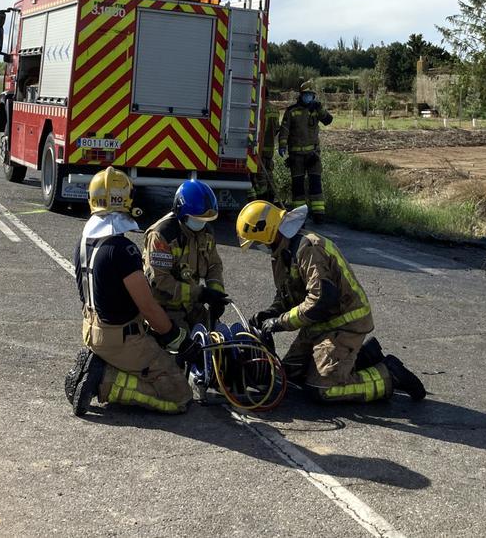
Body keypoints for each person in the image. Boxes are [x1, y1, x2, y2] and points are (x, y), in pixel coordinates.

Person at [236, 200, 426, 402]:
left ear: (268, 232)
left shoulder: (308, 248)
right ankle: (365, 356)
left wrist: (280, 322)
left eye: (258, 242)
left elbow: (321, 300)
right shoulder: (282, 253)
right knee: (290, 375)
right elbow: (288, 294)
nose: (260, 247)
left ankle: (389, 374)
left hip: (345, 323)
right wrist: (271, 312)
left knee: (321, 388)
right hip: (319, 325)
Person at [64, 168, 197, 416]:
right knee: (179, 395)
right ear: (125, 200)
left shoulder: (84, 243)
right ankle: (105, 380)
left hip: (93, 331)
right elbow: (147, 306)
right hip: (122, 340)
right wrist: (177, 338)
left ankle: (103, 364)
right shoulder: (122, 249)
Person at [142, 180, 231, 329]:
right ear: (181, 212)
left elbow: (214, 265)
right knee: (186, 347)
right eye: (197, 219)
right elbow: (160, 280)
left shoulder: (206, 233)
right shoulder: (162, 235)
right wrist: (200, 293)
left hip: (191, 305)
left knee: (219, 339)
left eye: (205, 220)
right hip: (164, 308)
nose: (202, 223)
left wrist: (216, 292)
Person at [278, 84, 333, 222]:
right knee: (298, 185)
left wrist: (319, 108)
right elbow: (284, 130)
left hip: (313, 155)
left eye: (311, 95)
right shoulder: (292, 111)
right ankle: (299, 215)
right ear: (301, 95)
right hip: (296, 156)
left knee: (315, 183)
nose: (308, 97)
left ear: (313, 96)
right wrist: (282, 145)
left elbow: (328, 120)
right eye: (306, 94)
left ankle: (318, 213)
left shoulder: (315, 110)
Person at [249, 86, 281, 203]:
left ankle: (262, 201)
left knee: (260, 177)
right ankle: (272, 199)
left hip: (260, 148)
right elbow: (277, 129)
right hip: (270, 148)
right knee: (269, 176)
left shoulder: (260, 109)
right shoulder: (275, 109)